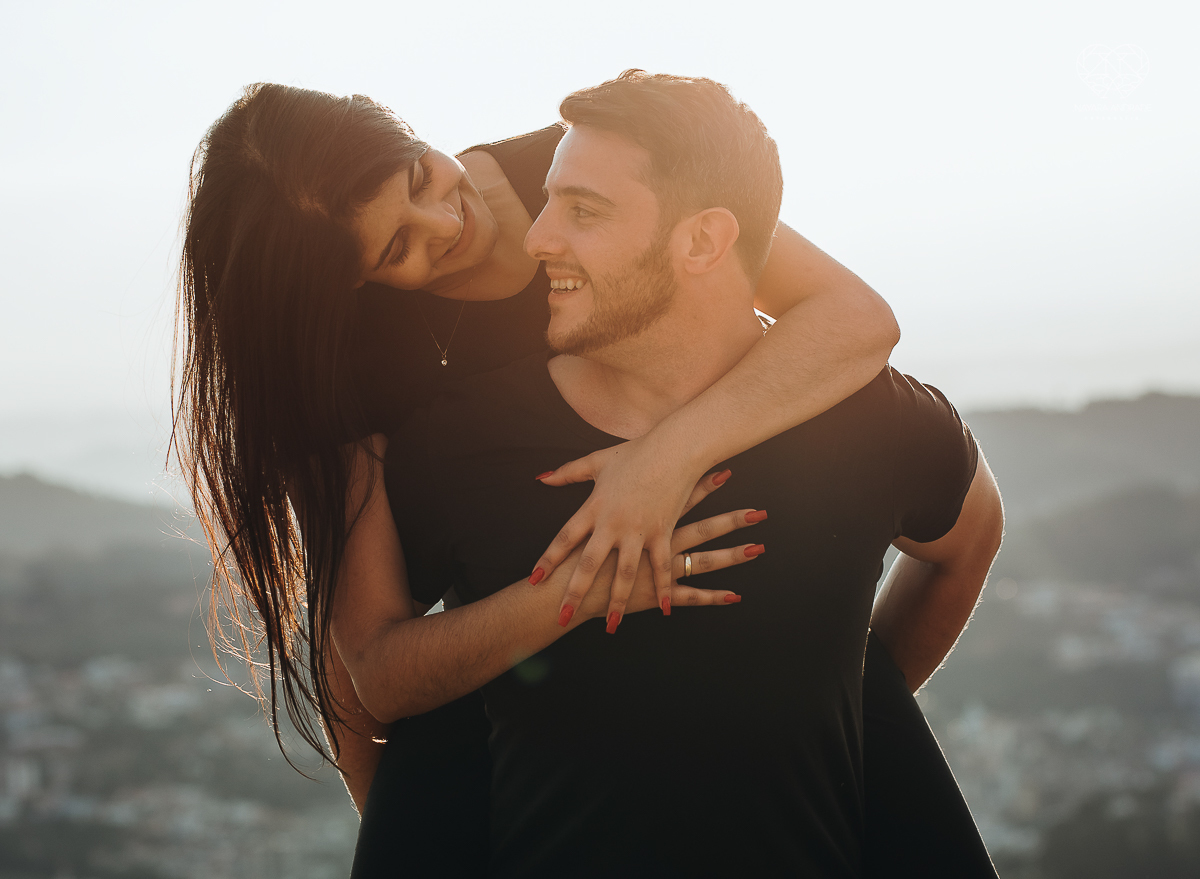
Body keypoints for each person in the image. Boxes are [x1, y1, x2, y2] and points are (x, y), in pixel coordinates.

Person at [173, 81, 990, 876]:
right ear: (350, 284)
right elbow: (363, 657)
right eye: (397, 247)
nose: (446, 222)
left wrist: (663, 466)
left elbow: (855, 317)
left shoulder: (577, 170)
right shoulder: (349, 361)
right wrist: (404, 825)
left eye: (421, 175)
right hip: (497, 678)